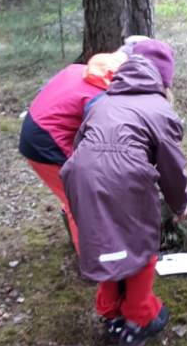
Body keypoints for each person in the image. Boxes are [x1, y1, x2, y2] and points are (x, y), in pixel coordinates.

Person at [61, 40, 187, 346]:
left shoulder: (102, 101)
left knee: (106, 242)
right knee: (141, 247)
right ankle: (138, 318)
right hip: (127, 177)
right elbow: (172, 167)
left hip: (81, 177)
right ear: (163, 81)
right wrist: (180, 204)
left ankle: (110, 312)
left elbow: (81, 141)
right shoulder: (159, 109)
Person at [18, 51, 127, 252]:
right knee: (82, 198)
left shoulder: (79, 70)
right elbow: (99, 135)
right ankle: (92, 259)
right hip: (46, 142)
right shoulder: (100, 97)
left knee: (76, 191)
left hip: (38, 130)